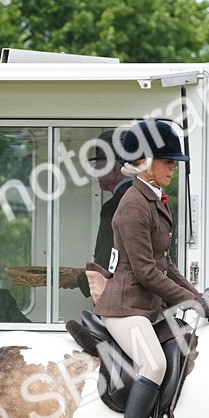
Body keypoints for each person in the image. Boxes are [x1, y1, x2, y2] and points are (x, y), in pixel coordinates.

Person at [93, 119, 209, 418]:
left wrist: (198, 296)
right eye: (168, 162)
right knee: (155, 364)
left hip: (147, 307)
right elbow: (145, 272)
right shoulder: (132, 205)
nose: (174, 168)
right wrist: (188, 302)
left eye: (175, 163)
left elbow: (166, 263)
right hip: (125, 307)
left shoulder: (155, 199)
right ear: (143, 161)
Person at [81, 131, 133, 305]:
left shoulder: (114, 205)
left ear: (115, 166)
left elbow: (108, 258)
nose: (95, 171)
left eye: (99, 164)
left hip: (118, 298)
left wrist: (79, 279)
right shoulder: (140, 197)